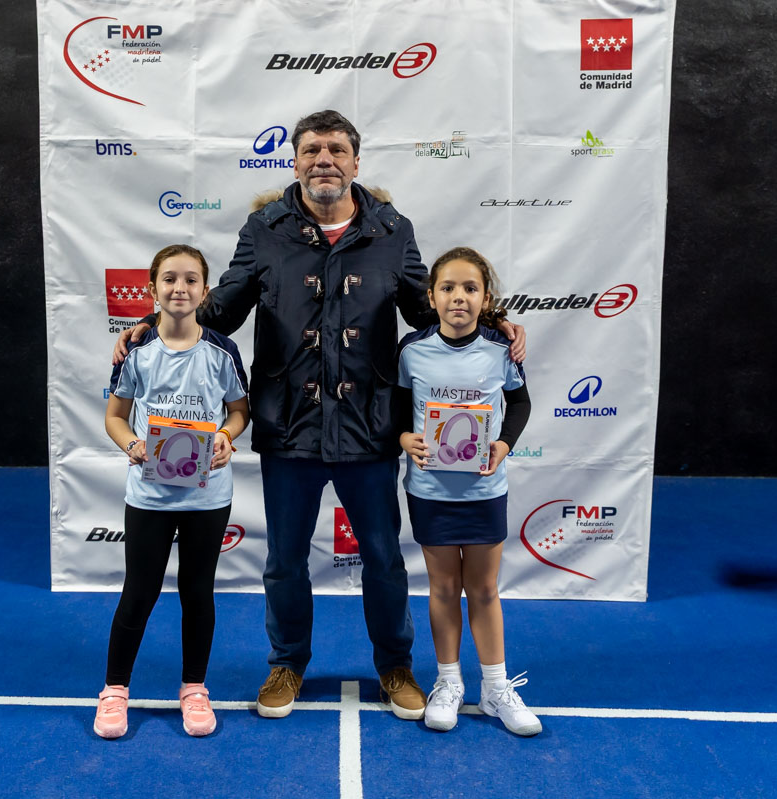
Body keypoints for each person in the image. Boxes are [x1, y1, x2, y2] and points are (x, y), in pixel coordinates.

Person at [113, 111, 526, 721]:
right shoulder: (265, 228)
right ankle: (287, 664)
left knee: (383, 559)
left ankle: (396, 667)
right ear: (295, 160)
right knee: (284, 561)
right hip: (289, 425)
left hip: (370, 425)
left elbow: (427, 309)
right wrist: (152, 323)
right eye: (311, 150)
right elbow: (221, 308)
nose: (323, 159)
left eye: (336, 149)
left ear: (356, 162)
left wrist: (495, 323)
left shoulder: (392, 229)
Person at [94, 244, 250, 739]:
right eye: (169, 279)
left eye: (190, 280)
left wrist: (225, 437)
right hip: (150, 496)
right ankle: (114, 691)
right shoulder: (137, 352)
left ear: (205, 291)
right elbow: (115, 416)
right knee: (139, 592)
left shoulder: (223, 352)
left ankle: (194, 688)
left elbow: (239, 411)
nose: (179, 288)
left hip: (208, 496)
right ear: (152, 289)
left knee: (197, 592)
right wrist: (133, 445)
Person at [397, 246, 540, 735]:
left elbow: (520, 403)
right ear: (431, 297)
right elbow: (396, 409)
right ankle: (449, 682)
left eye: (470, 288)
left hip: (484, 491)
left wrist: (504, 444)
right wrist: (404, 438)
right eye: (448, 288)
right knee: (442, 587)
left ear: (486, 299)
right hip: (430, 490)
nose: (459, 297)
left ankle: (495, 687)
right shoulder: (411, 350)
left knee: (482, 588)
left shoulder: (502, 350)